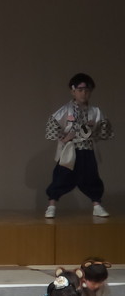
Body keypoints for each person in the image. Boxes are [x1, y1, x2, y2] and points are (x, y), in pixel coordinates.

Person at [44, 73, 113, 218]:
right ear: (73, 91)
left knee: (91, 176)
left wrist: (92, 132)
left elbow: (104, 129)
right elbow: (53, 124)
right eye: (80, 90)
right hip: (70, 149)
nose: (83, 93)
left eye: (87, 90)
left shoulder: (95, 112)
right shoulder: (65, 110)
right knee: (61, 176)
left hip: (87, 149)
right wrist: (64, 138)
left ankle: (96, 205)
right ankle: (51, 205)